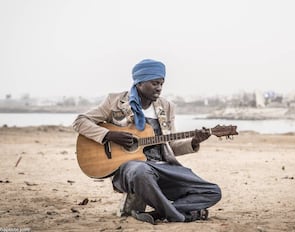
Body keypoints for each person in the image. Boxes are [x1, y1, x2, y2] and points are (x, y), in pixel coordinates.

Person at [72, 59, 222, 224]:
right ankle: (179, 216)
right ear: (140, 82)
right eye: (154, 83)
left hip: (163, 168)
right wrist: (109, 135)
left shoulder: (166, 107)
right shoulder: (115, 101)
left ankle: (159, 214)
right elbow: (80, 121)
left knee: (212, 191)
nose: (159, 88)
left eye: (161, 83)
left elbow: (169, 147)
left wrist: (194, 142)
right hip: (131, 170)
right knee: (142, 170)